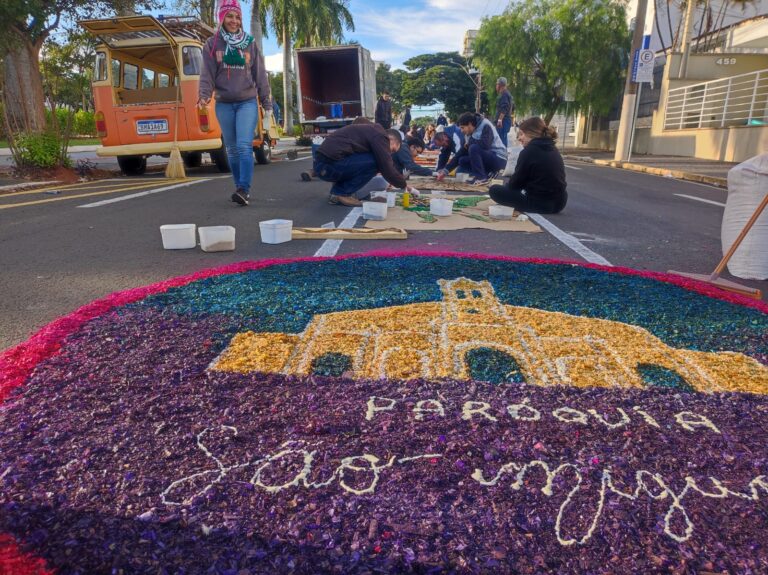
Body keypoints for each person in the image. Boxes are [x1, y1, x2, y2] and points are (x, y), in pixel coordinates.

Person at [198, 0, 272, 207]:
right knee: (231, 149)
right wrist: (203, 95)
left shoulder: (249, 43)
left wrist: (266, 103)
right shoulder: (211, 45)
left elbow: (260, 75)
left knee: (243, 146)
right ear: (221, 18)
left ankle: (243, 189)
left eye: (237, 17)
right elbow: (207, 75)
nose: (234, 21)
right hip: (223, 103)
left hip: (246, 102)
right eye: (229, 16)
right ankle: (239, 187)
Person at [313, 122, 413, 207]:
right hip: (327, 166)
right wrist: (403, 184)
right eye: (393, 149)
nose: (390, 153)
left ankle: (337, 193)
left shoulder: (373, 132)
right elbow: (386, 167)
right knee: (377, 163)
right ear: (391, 139)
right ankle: (342, 193)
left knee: (376, 162)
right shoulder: (381, 136)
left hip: (324, 165)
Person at [489, 117, 567, 214]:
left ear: (531, 133)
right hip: (560, 202)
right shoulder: (553, 149)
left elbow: (515, 185)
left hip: (541, 204)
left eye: (521, 134)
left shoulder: (529, 151)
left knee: (494, 190)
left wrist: (507, 188)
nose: (519, 138)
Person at [437, 112, 507, 185]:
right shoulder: (468, 134)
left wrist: (470, 143)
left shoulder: (485, 125)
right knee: (462, 160)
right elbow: (461, 153)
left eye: (462, 127)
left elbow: (486, 145)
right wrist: (445, 171)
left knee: (473, 148)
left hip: (499, 158)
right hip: (487, 157)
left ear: (470, 124)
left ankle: (481, 177)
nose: (461, 131)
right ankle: (486, 174)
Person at [494, 77, 514, 148]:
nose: (496, 86)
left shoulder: (505, 94)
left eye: (497, 84)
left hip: (503, 121)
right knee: (502, 139)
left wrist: (500, 120)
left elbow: (504, 108)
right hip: (505, 120)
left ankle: (502, 156)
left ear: (500, 85)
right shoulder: (507, 94)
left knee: (501, 140)